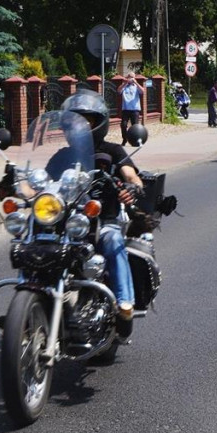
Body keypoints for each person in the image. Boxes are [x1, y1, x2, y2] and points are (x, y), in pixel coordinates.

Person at [63, 90, 143, 330]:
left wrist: (132, 187)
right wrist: (18, 185)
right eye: (73, 121)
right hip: (67, 225)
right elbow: (40, 182)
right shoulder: (62, 156)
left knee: (113, 241)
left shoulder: (113, 151)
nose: (78, 126)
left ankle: (124, 304)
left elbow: (131, 175)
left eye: (85, 121)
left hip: (103, 222)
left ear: (98, 123)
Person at [117, 71, 144, 144]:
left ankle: (136, 140)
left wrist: (136, 83)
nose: (130, 79)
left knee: (135, 127)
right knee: (123, 125)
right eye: (129, 77)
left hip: (135, 110)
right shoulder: (124, 86)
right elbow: (119, 91)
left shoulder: (136, 86)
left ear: (134, 78)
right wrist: (125, 83)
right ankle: (125, 138)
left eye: (132, 77)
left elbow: (142, 91)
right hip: (125, 109)